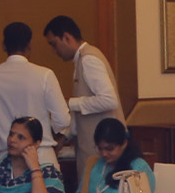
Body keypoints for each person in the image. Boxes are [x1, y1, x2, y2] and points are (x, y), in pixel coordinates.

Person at [0, 22, 67, 170]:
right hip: (41, 154)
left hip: (6, 157)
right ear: (29, 45)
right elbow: (63, 119)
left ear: (3, 46)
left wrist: (4, 133)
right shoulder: (44, 75)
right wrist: (42, 131)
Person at [43, 15, 125, 182]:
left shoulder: (89, 59)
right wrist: (65, 136)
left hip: (104, 149)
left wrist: (69, 103)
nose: (54, 51)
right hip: (93, 147)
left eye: (54, 44)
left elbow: (109, 100)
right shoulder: (81, 59)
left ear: (66, 37)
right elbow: (83, 110)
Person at [77, 117, 153, 193]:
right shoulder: (94, 164)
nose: (104, 154)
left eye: (109, 149)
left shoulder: (138, 167)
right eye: (100, 148)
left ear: (124, 143)